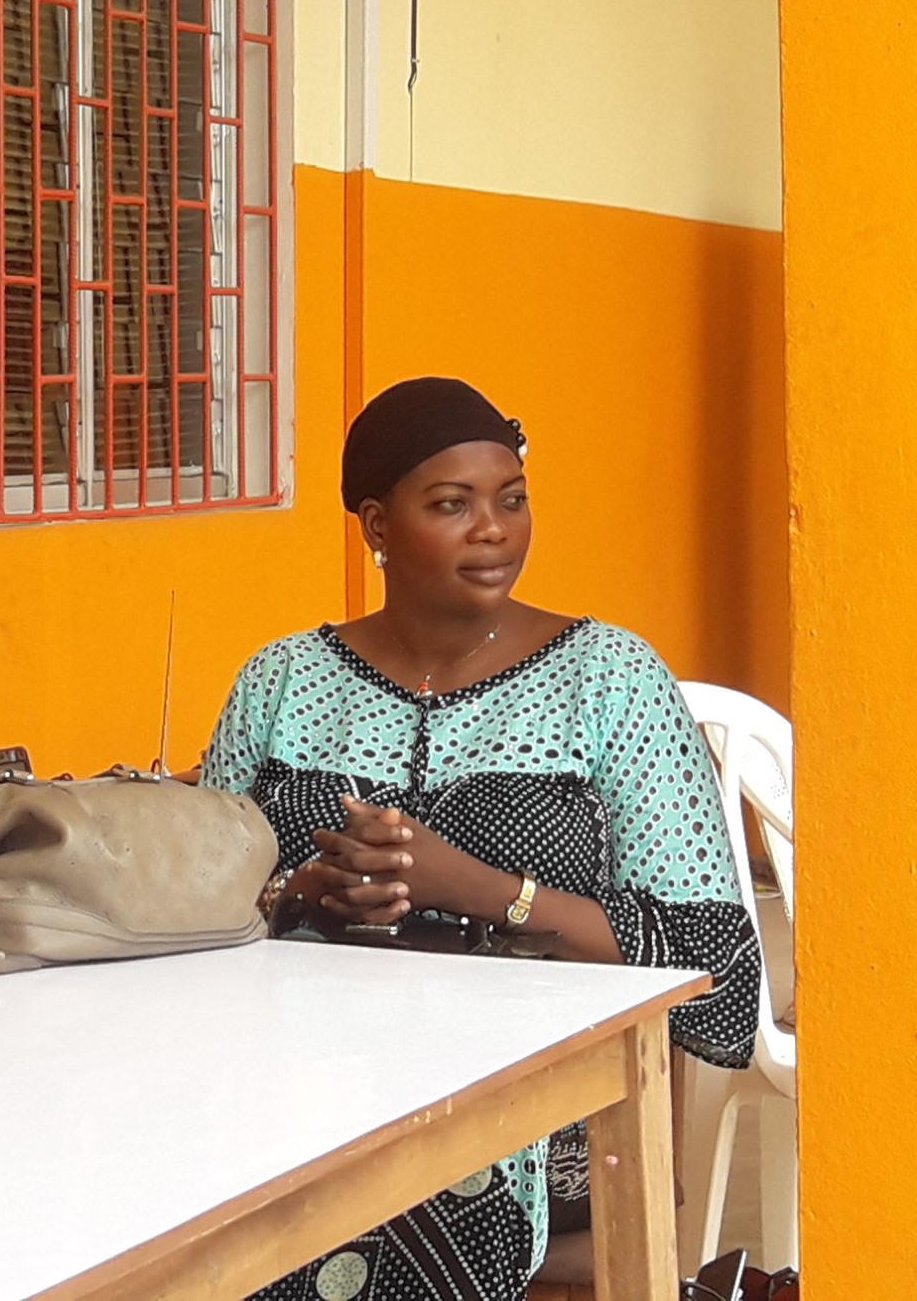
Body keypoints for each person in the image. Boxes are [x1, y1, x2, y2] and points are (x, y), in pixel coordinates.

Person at [200, 377, 760, 1301]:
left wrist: (478, 889)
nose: (493, 530)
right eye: (452, 505)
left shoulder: (609, 680)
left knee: (385, 1216)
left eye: (512, 499)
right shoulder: (282, 682)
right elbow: (193, 909)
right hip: (301, 1089)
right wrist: (303, 892)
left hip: (537, 1113)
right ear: (377, 526)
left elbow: (716, 965)